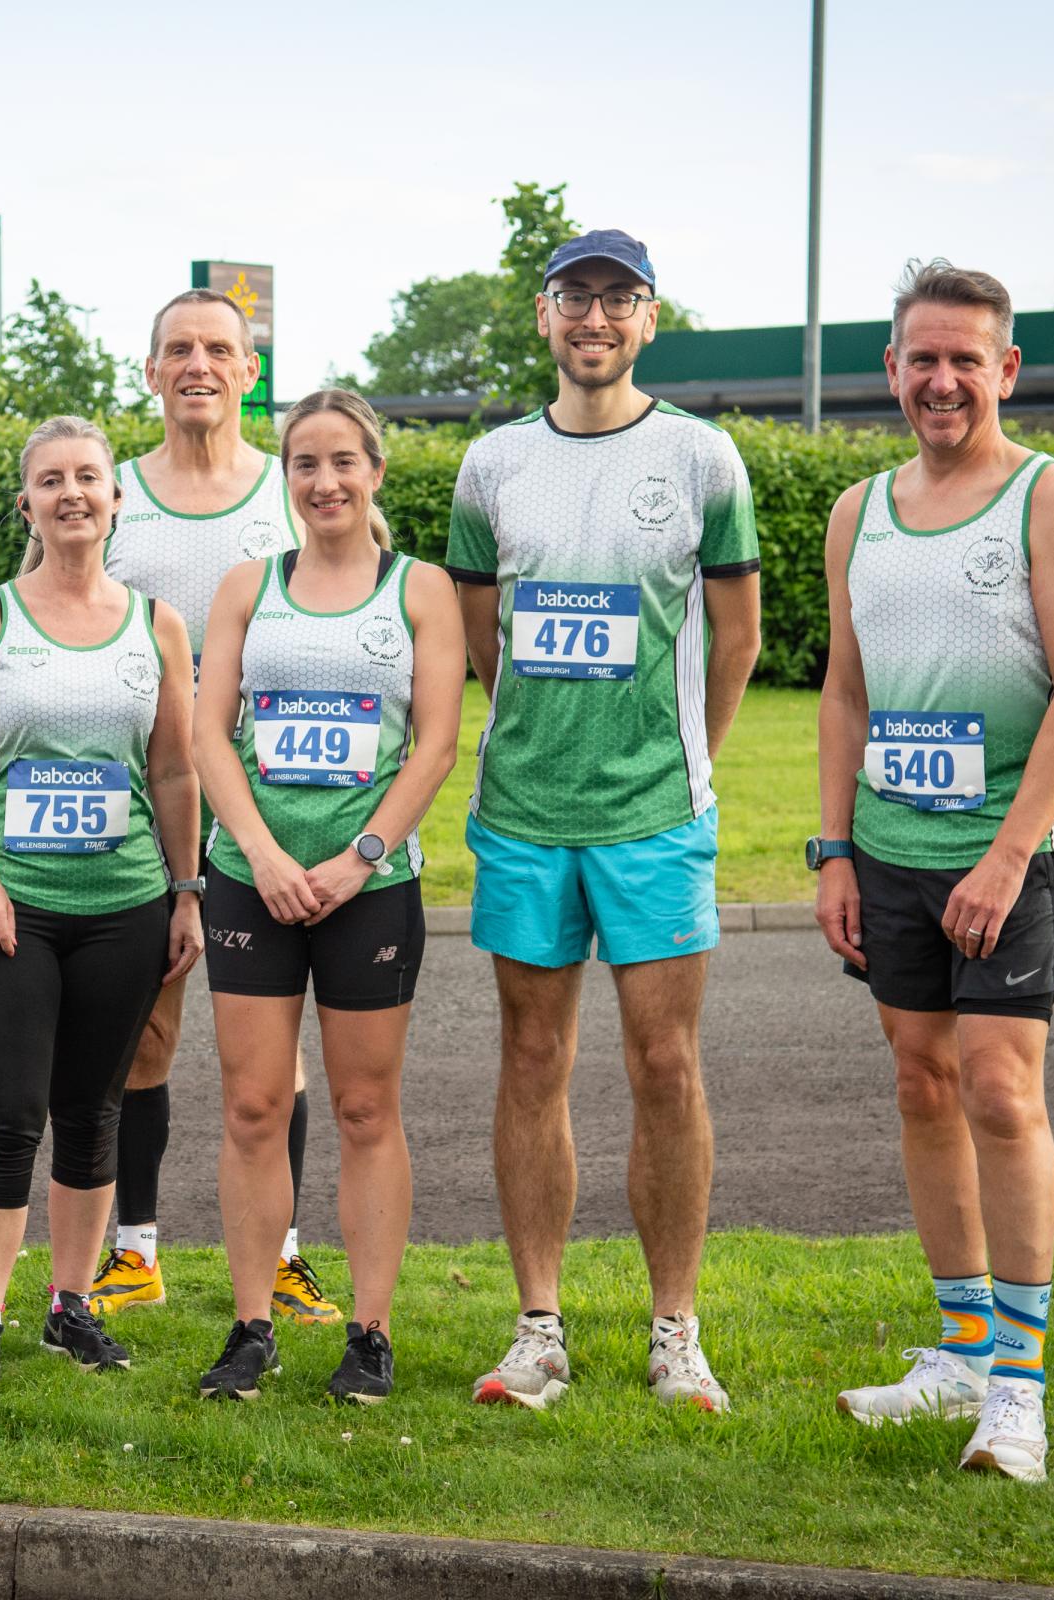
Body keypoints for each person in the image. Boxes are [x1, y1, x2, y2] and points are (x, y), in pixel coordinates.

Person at [450, 230, 762, 1414]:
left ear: (647, 317)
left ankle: (674, 1328)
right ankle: (539, 1329)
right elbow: (479, 633)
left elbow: (737, 636)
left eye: (616, 299)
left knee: (665, 1064)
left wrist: (690, 760)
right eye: (574, 297)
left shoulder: (700, 456)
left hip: (656, 817)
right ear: (544, 317)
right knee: (532, 1061)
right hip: (524, 812)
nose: (594, 318)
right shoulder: (492, 465)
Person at [817, 261, 1054, 1483]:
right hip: (889, 849)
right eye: (919, 359)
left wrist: (1005, 858)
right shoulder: (859, 509)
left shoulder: (1053, 498)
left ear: (1005, 370)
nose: (941, 380)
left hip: (1012, 854)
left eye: (965, 359)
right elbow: (845, 689)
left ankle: (1019, 1391)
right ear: (891, 372)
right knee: (923, 1083)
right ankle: (954, 1352)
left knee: (1001, 1091)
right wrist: (833, 848)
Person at [190, 390, 463, 1404]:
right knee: (256, 1104)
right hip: (252, 880)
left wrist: (359, 855)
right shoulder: (247, 586)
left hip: (371, 885)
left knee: (361, 1105)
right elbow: (209, 732)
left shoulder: (420, 590)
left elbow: (435, 744)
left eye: (343, 461)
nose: (325, 481)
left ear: (375, 471)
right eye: (304, 463)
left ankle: (371, 1333)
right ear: (286, 479)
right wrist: (257, 852)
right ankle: (252, 1325)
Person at [0, 416, 203, 1402]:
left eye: (89, 477)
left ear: (116, 499)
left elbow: (173, 768)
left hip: (126, 906)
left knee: (94, 1113)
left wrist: (185, 892)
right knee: (11, 1113)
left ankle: (70, 1305)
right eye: (52, 481)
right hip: (15, 909)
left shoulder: (156, 623)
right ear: (28, 504)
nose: (73, 494)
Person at [93, 289, 338, 1328]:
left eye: (219, 349)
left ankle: (284, 1254)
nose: (198, 364)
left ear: (250, 371)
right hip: (136, 794)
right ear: (149, 371)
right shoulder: (109, 494)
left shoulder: (293, 496)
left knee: (271, 1047)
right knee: (142, 1027)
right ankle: (133, 1249)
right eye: (178, 348)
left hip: (265, 803)